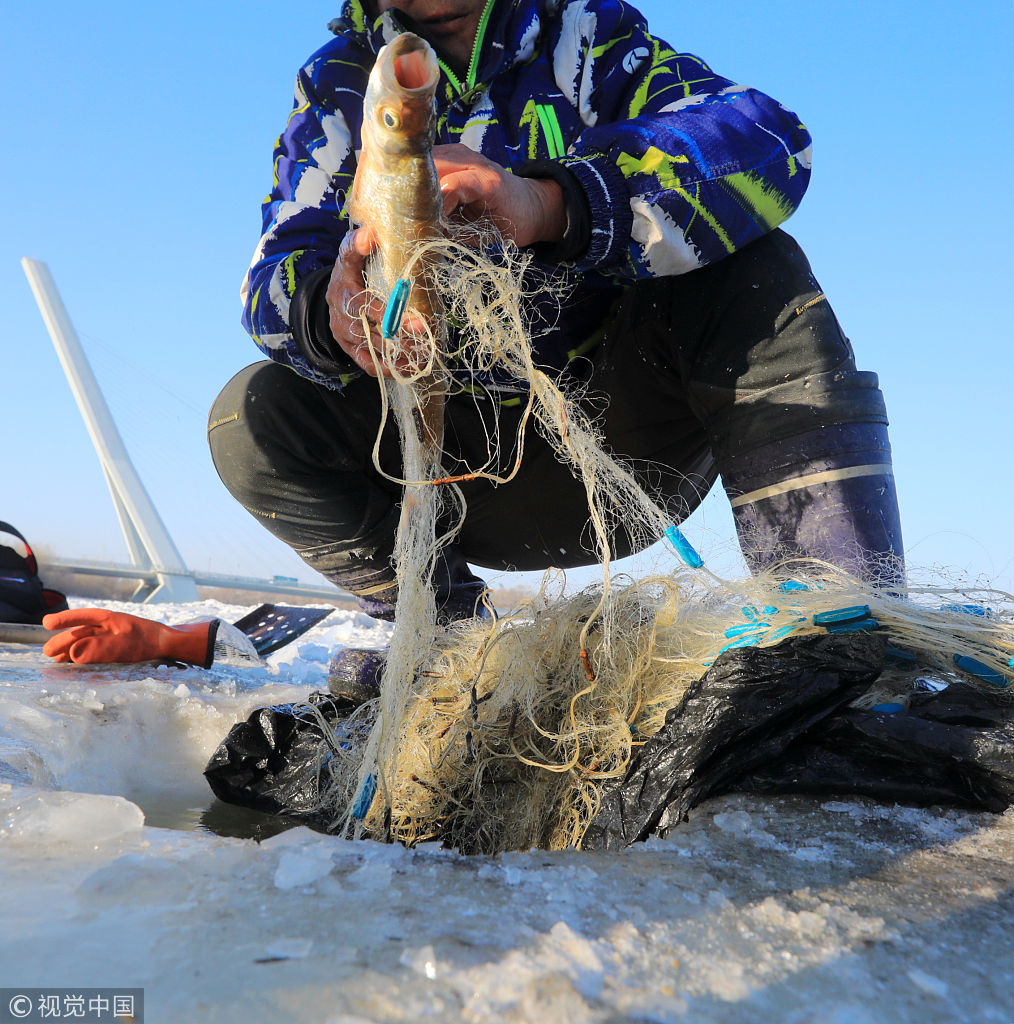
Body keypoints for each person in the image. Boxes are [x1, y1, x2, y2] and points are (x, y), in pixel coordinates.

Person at [208, 0, 905, 656]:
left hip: (627, 449)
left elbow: (771, 145)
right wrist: (329, 313)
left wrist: (551, 204)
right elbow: (274, 273)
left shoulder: (590, 35)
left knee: (753, 261)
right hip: (448, 486)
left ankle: (837, 626)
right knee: (251, 417)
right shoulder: (337, 83)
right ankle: (447, 643)